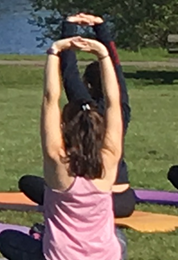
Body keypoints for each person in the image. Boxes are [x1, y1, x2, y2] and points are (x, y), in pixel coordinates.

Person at [0, 36, 127, 260]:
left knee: (7, 238)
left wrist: (54, 52)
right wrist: (103, 54)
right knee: (119, 237)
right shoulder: (109, 159)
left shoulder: (57, 160)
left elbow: (50, 100)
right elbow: (113, 103)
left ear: (65, 127)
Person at [45, 13, 135, 217]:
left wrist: (68, 29)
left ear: (89, 84)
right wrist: (101, 30)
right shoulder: (120, 109)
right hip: (124, 201)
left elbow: (68, 71)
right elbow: (116, 69)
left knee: (35, 184)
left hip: (88, 201)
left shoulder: (82, 108)